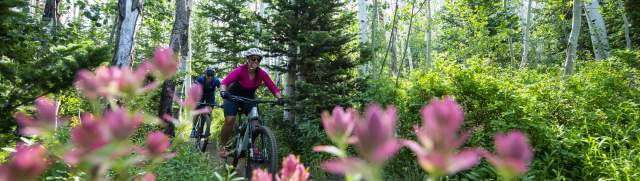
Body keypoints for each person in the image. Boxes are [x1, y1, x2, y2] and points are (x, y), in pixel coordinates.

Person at [219, 48, 284, 158]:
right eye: (253, 59)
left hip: (249, 99)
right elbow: (224, 82)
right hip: (232, 97)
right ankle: (223, 147)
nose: (256, 61)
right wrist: (223, 92)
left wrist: (280, 98)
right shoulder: (240, 70)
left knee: (255, 122)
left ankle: (250, 145)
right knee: (230, 120)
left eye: (258, 60)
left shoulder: (261, 73)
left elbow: (273, 87)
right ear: (248, 59)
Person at [190, 67, 221, 138]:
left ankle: (207, 128)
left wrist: (225, 96)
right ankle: (193, 129)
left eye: (211, 75)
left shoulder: (216, 80)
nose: (210, 77)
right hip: (199, 94)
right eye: (208, 75)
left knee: (209, 111)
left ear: (214, 75)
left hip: (210, 96)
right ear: (205, 74)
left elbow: (221, 89)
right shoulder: (201, 79)